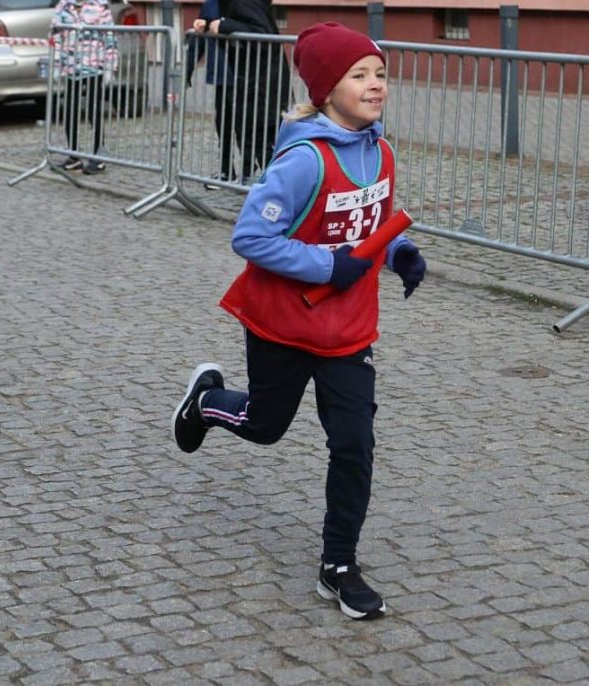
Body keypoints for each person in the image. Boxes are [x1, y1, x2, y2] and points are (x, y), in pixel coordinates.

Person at [171, 22, 426, 620]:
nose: (376, 84)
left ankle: (338, 566)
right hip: (282, 324)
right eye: (359, 75)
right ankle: (206, 403)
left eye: (380, 73)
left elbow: (369, 226)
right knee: (264, 426)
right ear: (326, 89)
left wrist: (398, 252)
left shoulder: (382, 151)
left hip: (348, 331)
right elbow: (250, 237)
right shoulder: (303, 161)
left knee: (354, 443)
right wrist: (327, 265)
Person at [203, 0, 291, 181]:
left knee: (262, 139)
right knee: (261, 138)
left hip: (262, 84)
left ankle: (280, 187)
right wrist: (210, 26)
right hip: (259, 82)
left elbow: (261, 33)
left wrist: (224, 25)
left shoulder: (242, 1)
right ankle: (276, 185)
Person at [51, 0, 118, 175]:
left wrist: (110, 66)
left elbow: (110, 38)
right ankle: (74, 156)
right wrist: (55, 63)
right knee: (70, 109)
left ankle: (98, 156)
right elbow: (55, 36)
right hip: (71, 66)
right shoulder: (63, 6)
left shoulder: (100, 6)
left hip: (94, 65)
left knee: (93, 110)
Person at [186, 0, 237, 188]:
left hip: (245, 74)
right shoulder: (212, 3)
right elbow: (198, 38)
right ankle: (227, 171)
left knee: (246, 125)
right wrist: (188, 69)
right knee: (224, 123)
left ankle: (251, 172)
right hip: (223, 75)